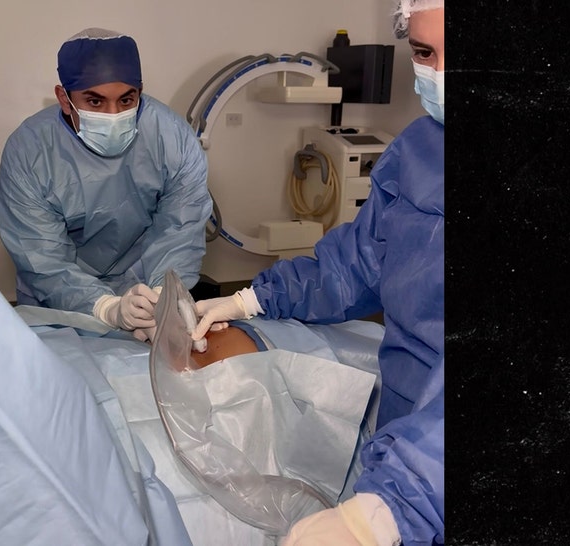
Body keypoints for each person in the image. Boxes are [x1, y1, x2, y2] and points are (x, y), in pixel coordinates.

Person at [191, 1, 445, 544]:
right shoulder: (420, 150)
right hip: (403, 433)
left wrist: (391, 510)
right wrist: (252, 301)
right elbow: (359, 263)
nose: (440, 72)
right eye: (425, 52)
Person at [0, 28, 212, 342]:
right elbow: (41, 256)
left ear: (140, 92)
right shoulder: (29, 152)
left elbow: (180, 230)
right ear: (64, 99)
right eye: (95, 101)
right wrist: (106, 307)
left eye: (126, 100)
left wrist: (162, 297)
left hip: (141, 285)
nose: (113, 115)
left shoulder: (173, 139)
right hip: (58, 299)